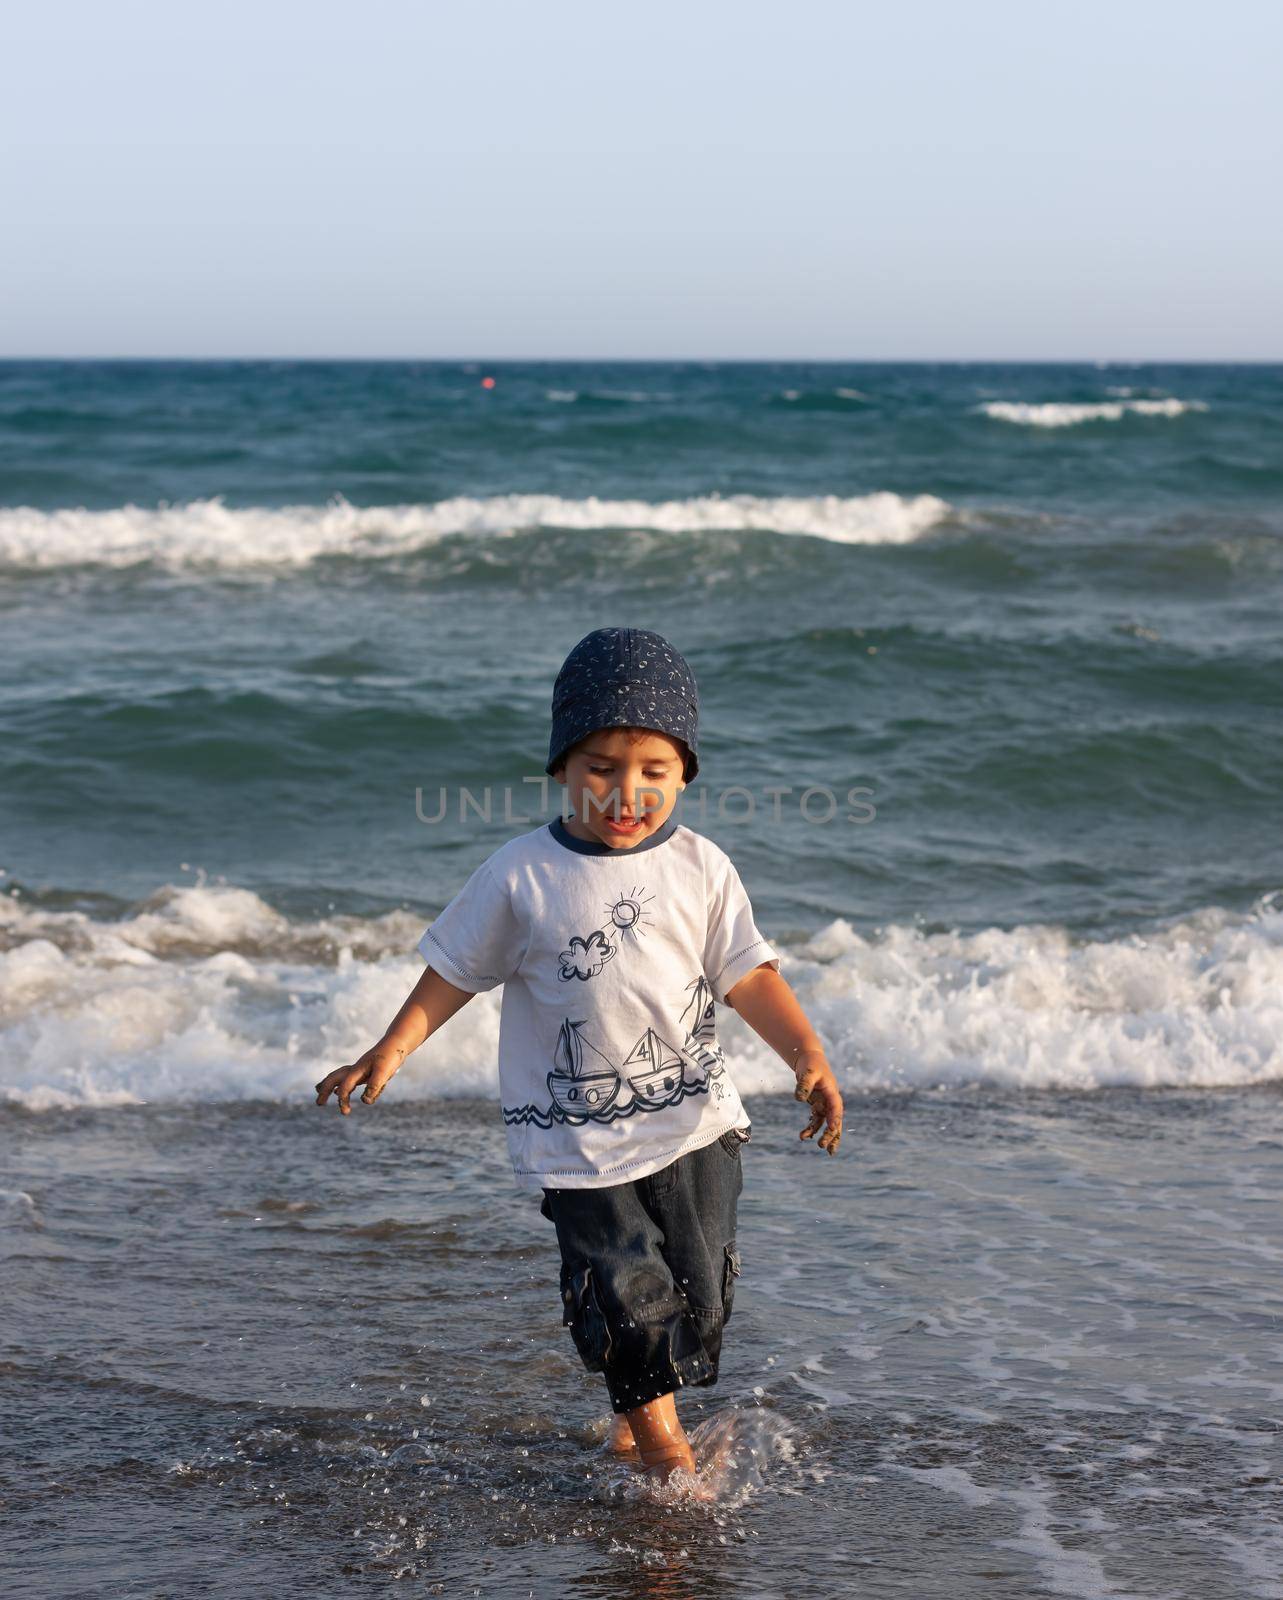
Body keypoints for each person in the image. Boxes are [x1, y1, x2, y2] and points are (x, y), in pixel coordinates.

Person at [315, 627, 843, 1489]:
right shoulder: (519, 875)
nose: (625, 792)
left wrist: (807, 1054)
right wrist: (392, 1047)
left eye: (652, 772)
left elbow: (748, 974)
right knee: (626, 1293)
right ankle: (665, 1454)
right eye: (600, 766)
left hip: (693, 1121)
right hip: (577, 1140)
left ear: (683, 776)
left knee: (697, 1302)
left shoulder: (702, 868)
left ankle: (633, 1416)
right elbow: (453, 972)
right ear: (561, 766)